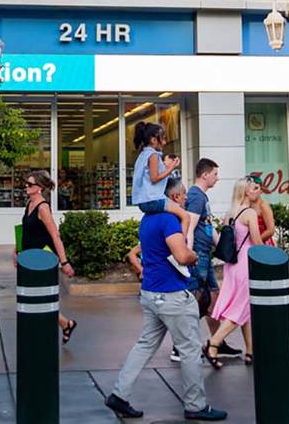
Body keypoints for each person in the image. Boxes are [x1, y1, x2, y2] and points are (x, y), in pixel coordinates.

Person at [105, 178, 227, 421]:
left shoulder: (148, 220)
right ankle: (195, 405)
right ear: (173, 197)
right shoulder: (168, 220)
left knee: (145, 345)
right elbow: (181, 255)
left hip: (151, 293)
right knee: (191, 349)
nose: (184, 199)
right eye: (182, 195)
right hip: (172, 296)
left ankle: (119, 393)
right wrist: (194, 256)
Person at [184, 158, 241, 360]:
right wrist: (188, 254)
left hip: (204, 253)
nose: (218, 178)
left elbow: (207, 227)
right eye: (215, 174)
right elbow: (189, 227)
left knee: (213, 298)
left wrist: (224, 248)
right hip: (198, 255)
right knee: (196, 299)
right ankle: (181, 346)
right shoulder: (196, 197)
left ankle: (217, 342)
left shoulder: (201, 197)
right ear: (205, 174)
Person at [205, 177, 262, 369]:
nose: (258, 190)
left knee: (243, 307)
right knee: (240, 308)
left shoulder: (230, 213)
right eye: (254, 188)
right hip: (246, 262)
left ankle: (251, 351)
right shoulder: (250, 213)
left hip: (232, 264)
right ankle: (214, 343)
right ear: (246, 191)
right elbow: (256, 242)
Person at [17, 170, 77, 344]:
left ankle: (53, 329)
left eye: (30, 184)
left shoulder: (43, 207)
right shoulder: (29, 203)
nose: (26, 186)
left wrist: (64, 262)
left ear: (40, 188)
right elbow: (27, 230)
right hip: (28, 258)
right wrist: (17, 249)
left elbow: (54, 235)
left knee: (38, 298)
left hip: (40, 260)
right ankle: (66, 324)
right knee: (34, 298)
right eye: (26, 183)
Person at [131, 122, 190, 242]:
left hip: (144, 200)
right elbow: (154, 178)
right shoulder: (153, 155)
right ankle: (180, 246)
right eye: (162, 139)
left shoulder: (143, 155)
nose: (164, 142)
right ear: (153, 140)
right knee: (186, 216)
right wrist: (171, 168)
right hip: (153, 199)